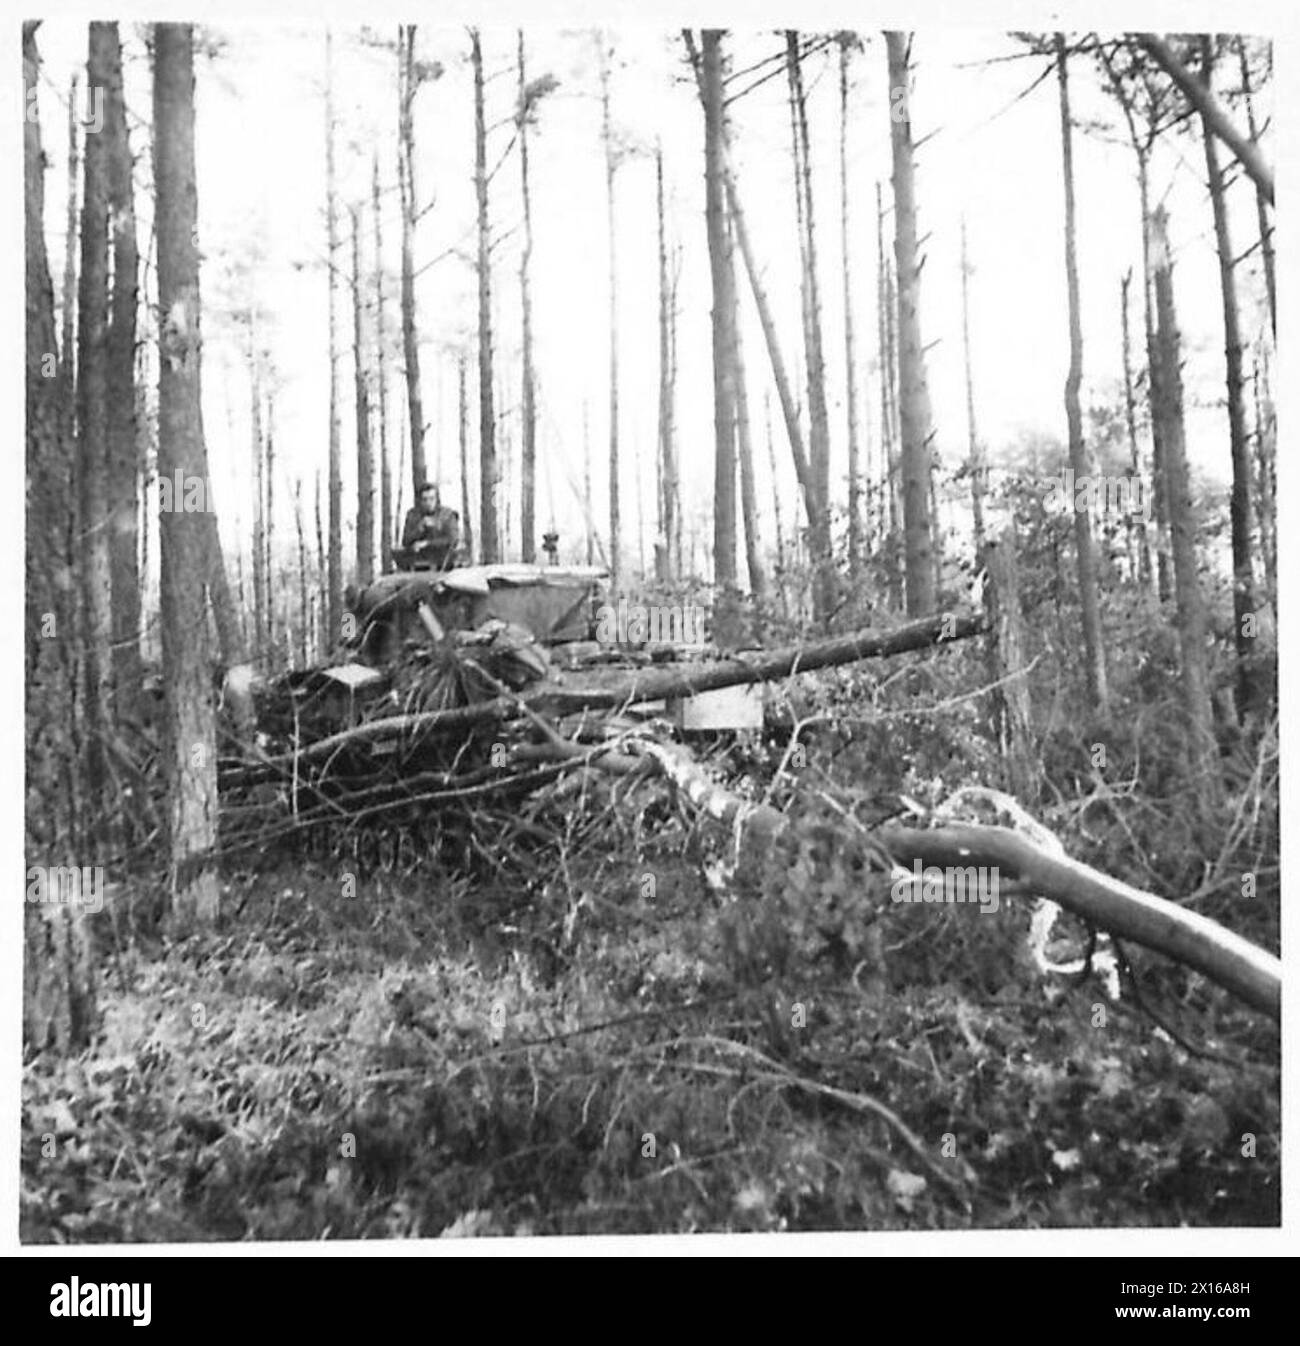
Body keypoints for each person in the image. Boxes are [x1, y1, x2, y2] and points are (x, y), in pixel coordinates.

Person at [399, 481, 461, 570]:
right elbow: (406, 540)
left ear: (436, 499)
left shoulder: (447, 515)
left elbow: (452, 540)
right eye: (425, 499)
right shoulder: (413, 515)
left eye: (431, 499)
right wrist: (419, 528)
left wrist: (427, 543)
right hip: (418, 562)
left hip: (444, 562)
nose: (428, 503)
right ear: (420, 500)